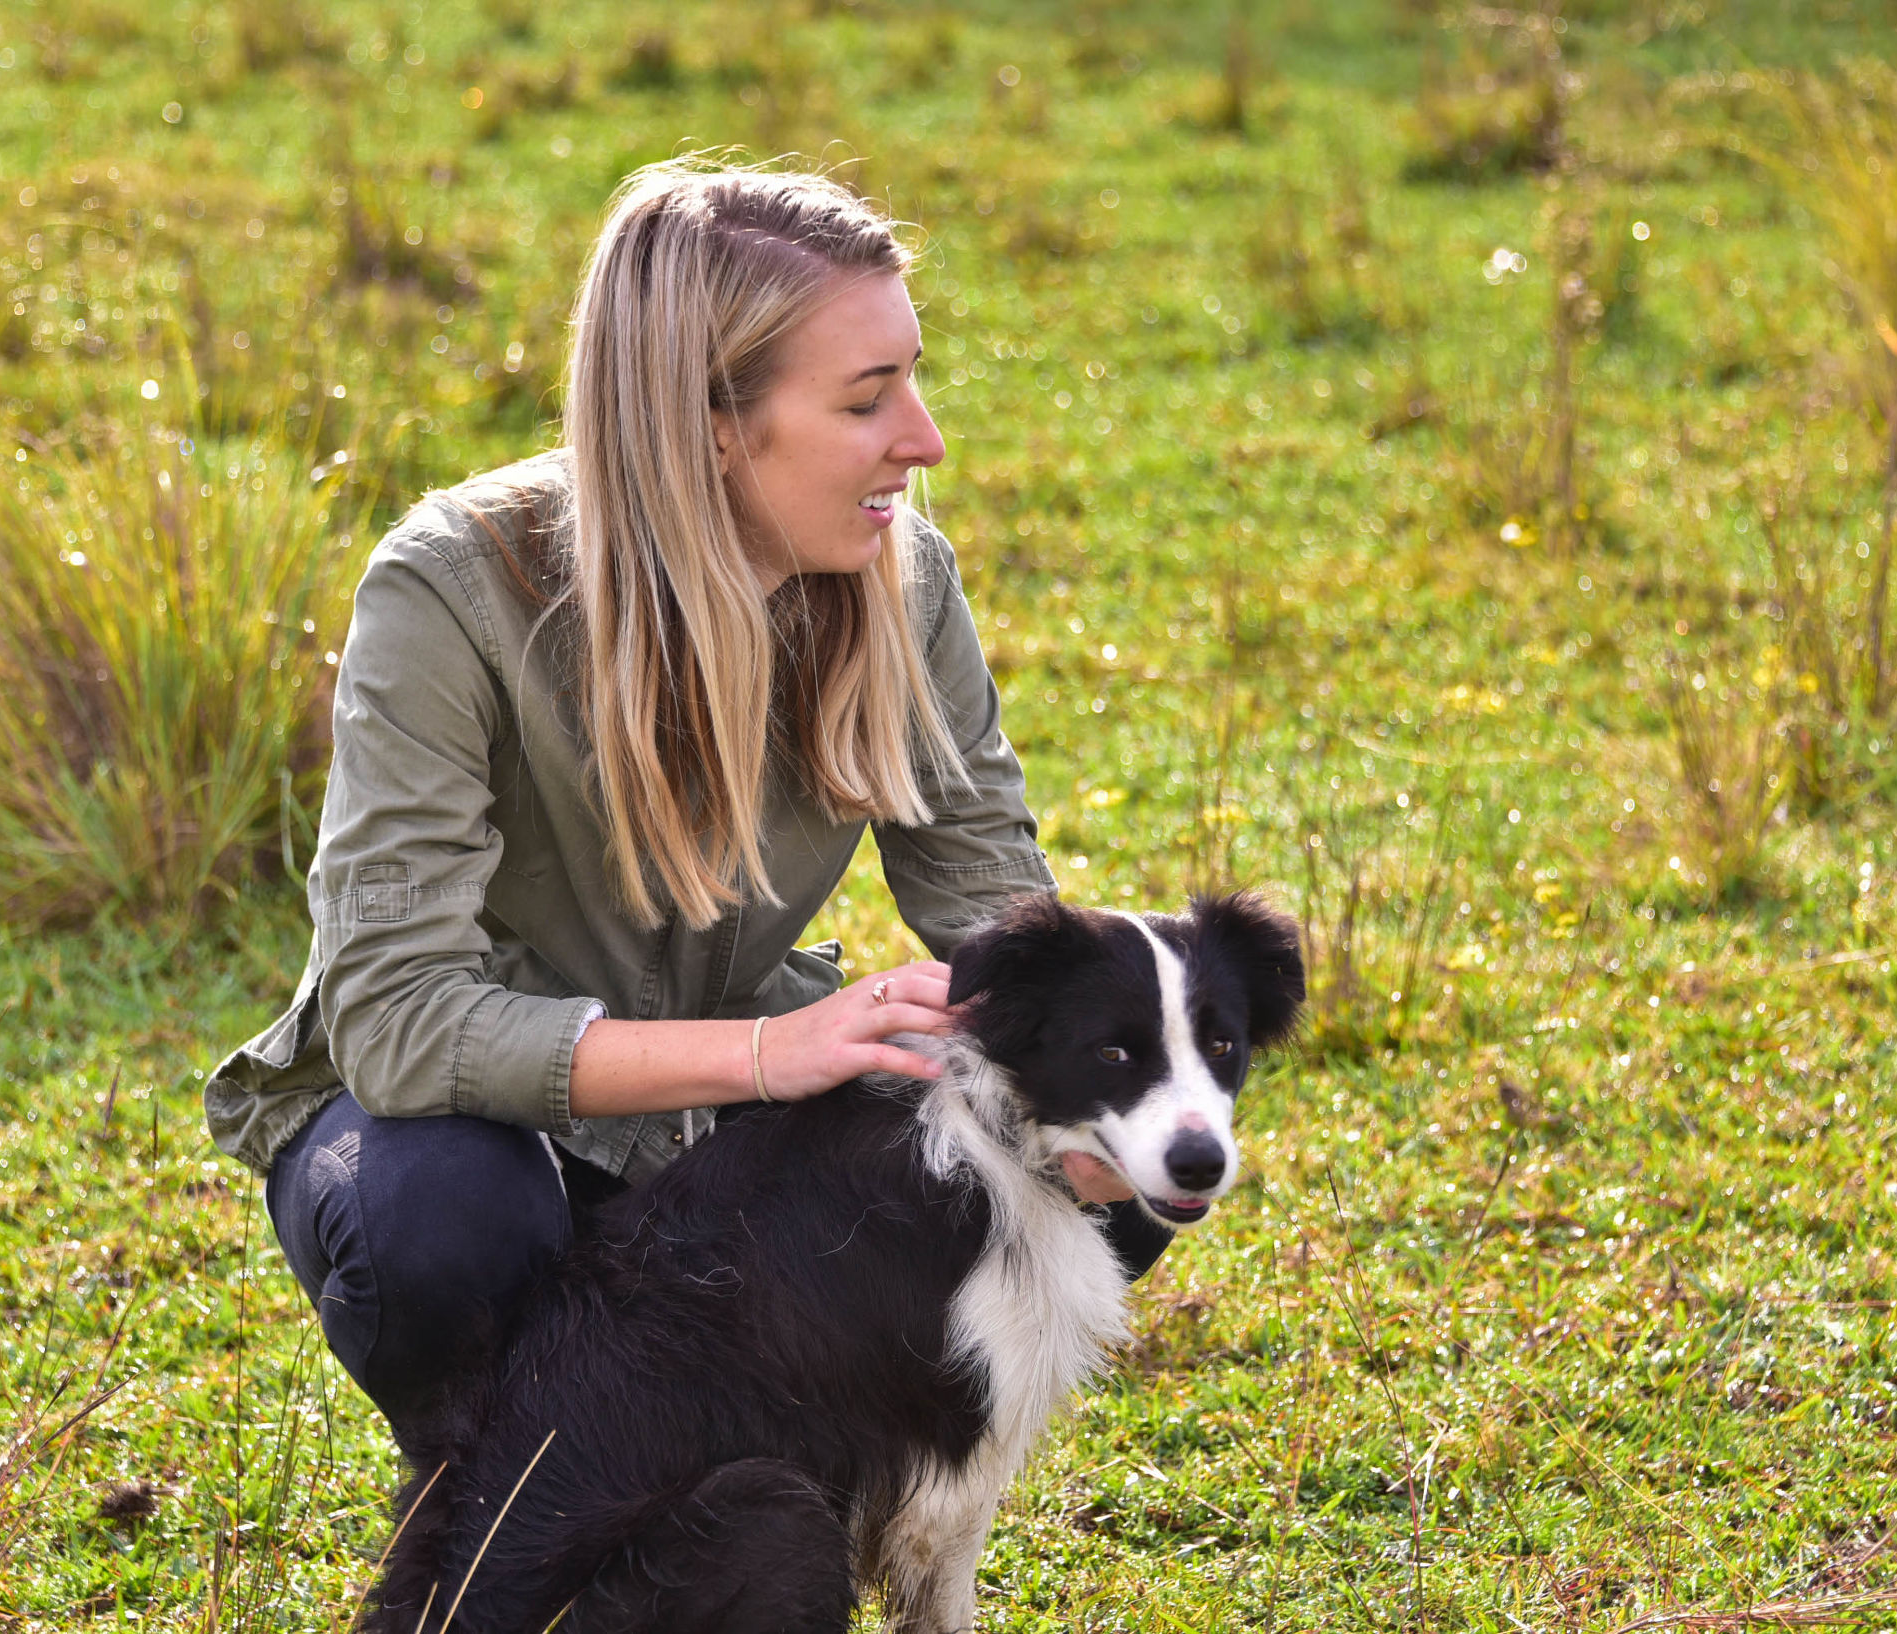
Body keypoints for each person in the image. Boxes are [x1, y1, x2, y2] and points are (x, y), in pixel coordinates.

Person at [203, 161, 1171, 1438]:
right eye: (867, 398)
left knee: (1114, 1162)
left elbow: (990, 897)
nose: (924, 438)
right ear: (712, 422)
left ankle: (776, 1492)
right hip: (459, 1130)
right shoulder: (447, 592)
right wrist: (771, 1055)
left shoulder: (903, 579)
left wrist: (1098, 1079)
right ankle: (489, 1513)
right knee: (444, 1227)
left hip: (713, 1125)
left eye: (914, 377)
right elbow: (395, 1021)